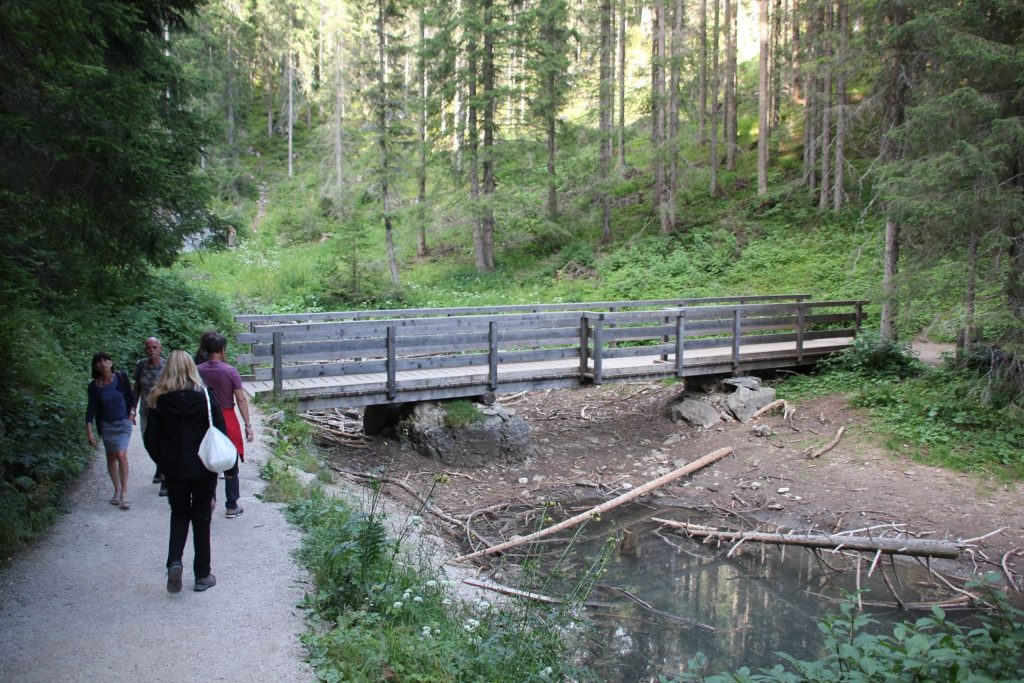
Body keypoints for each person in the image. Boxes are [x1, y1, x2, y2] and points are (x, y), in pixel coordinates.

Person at [144, 350, 224, 593]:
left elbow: (150, 439)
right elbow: (220, 432)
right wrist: (228, 468)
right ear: (192, 368)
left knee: (179, 515)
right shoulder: (206, 398)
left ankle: (175, 563)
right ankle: (202, 575)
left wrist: (164, 462)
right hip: (203, 468)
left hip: (175, 470)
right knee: (202, 518)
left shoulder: (158, 400)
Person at [197, 333, 253, 519]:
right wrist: (248, 425)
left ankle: (208, 501)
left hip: (204, 418)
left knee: (207, 460)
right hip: (227, 416)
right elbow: (241, 399)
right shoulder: (230, 371)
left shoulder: (196, 371)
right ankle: (231, 505)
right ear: (222, 350)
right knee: (230, 461)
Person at [85, 352, 136, 510]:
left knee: (121, 454)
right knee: (111, 457)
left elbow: (131, 396)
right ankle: (116, 489)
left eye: (106, 360)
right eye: (99, 361)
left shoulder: (121, 377)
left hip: (123, 423)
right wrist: (89, 431)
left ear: (111, 362)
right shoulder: (94, 386)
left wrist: (132, 412)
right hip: (106, 425)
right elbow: (91, 409)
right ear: (95, 366)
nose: (103, 363)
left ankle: (124, 493)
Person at [133, 337, 167, 496]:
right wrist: (132, 408)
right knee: (149, 443)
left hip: (164, 412)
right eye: (148, 348)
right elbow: (137, 388)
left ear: (160, 349)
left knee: (164, 443)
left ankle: (165, 479)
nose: (152, 350)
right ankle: (161, 466)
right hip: (146, 411)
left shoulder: (167, 366)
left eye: (154, 347)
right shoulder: (141, 365)